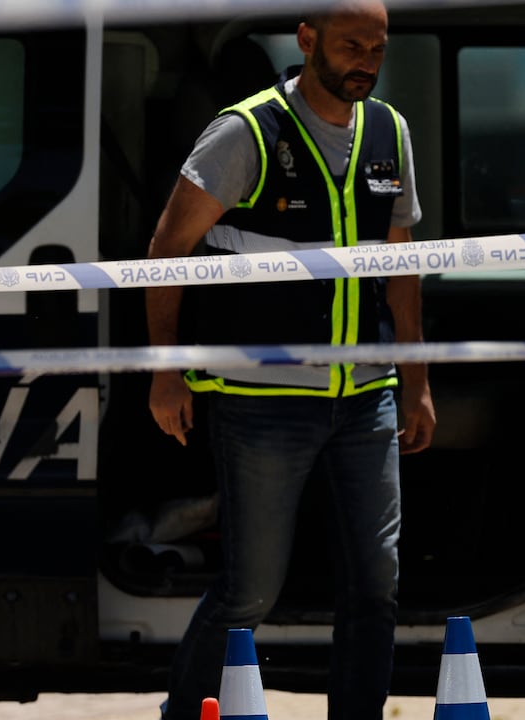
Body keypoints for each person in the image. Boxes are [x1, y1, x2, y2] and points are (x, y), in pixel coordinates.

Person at [145, 2, 436, 718]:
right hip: (261, 402)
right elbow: (164, 253)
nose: (365, 59)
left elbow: (401, 272)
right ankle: (184, 713)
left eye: (377, 46)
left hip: (367, 398)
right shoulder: (246, 131)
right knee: (250, 589)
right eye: (349, 45)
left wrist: (417, 382)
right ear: (307, 41)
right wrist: (165, 370)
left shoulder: (389, 132)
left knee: (377, 584)